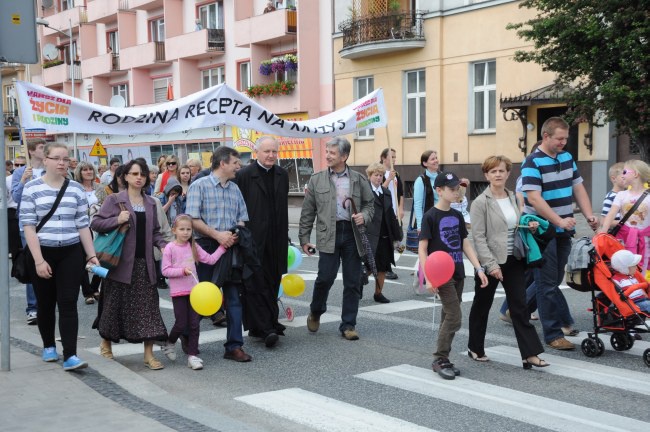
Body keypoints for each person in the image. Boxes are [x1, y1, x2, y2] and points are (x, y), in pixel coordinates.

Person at [521, 116, 599, 350]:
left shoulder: (567, 158)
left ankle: (518, 311)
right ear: (546, 136)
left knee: (553, 281)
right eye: (560, 138)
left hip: (564, 229)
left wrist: (589, 215)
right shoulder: (532, 162)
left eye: (566, 138)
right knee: (547, 283)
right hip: (542, 230)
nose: (564, 142)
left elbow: (578, 188)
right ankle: (553, 334)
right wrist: (557, 221)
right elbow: (534, 198)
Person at [20, 142, 99, 371]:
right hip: (43, 251)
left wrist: (91, 255)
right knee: (45, 304)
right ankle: (48, 346)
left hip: (71, 252)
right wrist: (38, 260)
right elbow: (29, 226)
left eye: (66, 158)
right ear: (45, 160)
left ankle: (71, 355)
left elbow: (83, 225)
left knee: (68, 303)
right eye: (57, 158)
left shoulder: (75, 189)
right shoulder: (32, 188)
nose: (62, 162)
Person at [468, 156, 548, 369]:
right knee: (481, 306)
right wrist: (491, 265)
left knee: (520, 306)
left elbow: (514, 225)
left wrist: (528, 225)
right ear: (486, 175)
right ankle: (475, 347)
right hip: (490, 262)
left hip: (514, 259)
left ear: (508, 173)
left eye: (501, 171)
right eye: (493, 171)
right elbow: (478, 238)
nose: (498, 174)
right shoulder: (479, 203)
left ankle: (529, 354)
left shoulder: (514, 197)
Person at [90, 159, 169, 370]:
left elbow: (155, 232)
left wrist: (163, 246)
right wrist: (116, 220)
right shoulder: (114, 200)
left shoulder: (152, 202)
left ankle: (149, 354)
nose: (139, 177)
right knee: (113, 306)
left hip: (145, 265)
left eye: (142, 174)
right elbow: (96, 223)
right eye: (134, 173)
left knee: (148, 310)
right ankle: (106, 344)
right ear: (125, 176)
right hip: (119, 265)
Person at [299, 137, 374, 340]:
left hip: (351, 234)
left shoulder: (358, 179)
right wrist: (304, 238)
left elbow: (370, 204)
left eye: (332, 153)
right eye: (327, 152)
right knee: (325, 278)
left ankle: (348, 325)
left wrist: (364, 216)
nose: (328, 156)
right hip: (328, 234)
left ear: (344, 156)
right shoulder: (317, 179)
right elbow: (308, 212)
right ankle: (316, 310)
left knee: (352, 281)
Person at [418, 171, 488, 380]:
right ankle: (439, 358)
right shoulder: (430, 216)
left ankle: (444, 358)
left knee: (447, 315)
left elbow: (465, 243)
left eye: (457, 188)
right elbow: (423, 249)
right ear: (439, 191)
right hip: (440, 274)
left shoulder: (457, 215)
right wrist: (428, 277)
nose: (456, 192)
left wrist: (478, 268)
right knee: (455, 316)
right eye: (451, 189)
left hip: (458, 271)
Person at [186, 146, 252, 362]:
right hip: (205, 247)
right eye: (235, 163)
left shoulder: (235, 189)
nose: (238, 167)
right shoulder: (199, 186)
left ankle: (234, 346)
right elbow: (193, 220)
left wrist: (234, 234)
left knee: (234, 299)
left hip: (230, 249)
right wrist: (217, 235)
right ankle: (189, 339)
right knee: (201, 296)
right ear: (222, 163)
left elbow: (242, 218)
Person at [234, 136, 289, 347]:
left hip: (276, 238)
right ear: (257, 152)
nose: (271, 155)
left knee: (274, 279)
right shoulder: (245, 175)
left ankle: (270, 322)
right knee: (256, 282)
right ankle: (264, 328)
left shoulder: (282, 174)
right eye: (267, 151)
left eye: (274, 151)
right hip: (254, 239)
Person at [161, 214, 228, 370]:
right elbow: (165, 271)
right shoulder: (170, 248)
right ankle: (169, 343)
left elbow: (210, 260)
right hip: (178, 293)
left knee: (194, 325)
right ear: (174, 230)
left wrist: (223, 248)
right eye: (182, 229)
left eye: (188, 229)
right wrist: (181, 271)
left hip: (194, 292)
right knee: (180, 323)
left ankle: (193, 356)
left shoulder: (193, 246)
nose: (185, 232)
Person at [12, 138, 47, 325]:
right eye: (42, 148)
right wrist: (24, 179)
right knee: (34, 265)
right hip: (27, 225)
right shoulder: (20, 171)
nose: (45, 150)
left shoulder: (49, 171)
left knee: (49, 264)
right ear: (32, 151)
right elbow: (16, 197)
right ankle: (33, 308)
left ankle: (46, 304)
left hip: (47, 225)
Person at [600, 159, 650, 272]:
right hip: (624, 238)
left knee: (644, 268)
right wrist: (603, 233)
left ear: (636, 174)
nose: (622, 176)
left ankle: (642, 288)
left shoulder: (649, 196)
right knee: (624, 267)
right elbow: (610, 215)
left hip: (646, 240)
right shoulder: (621, 195)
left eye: (624, 172)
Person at [366, 162, 402, 303]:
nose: (379, 178)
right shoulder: (365, 192)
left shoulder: (386, 192)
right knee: (369, 265)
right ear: (369, 176)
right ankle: (357, 287)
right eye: (376, 175)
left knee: (383, 266)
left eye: (381, 175)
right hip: (370, 235)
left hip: (385, 234)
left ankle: (378, 293)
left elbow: (391, 214)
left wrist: (397, 236)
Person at [74, 161, 103, 304]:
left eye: (90, 169)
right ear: (79, 172)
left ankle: (95, 287)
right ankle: (87, 292)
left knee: (101, 258)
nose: (88, 172)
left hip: (98, 228)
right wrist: (88, 211)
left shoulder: (100, 188)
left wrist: (99, 208)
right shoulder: (75, 188)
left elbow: (106, 205)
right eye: (84, 170)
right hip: (81, 228)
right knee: (82, 260)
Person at [380, 148, 403, 280]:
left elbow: (400, 193)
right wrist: (388, 179)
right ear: (384, 158)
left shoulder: (396, 174)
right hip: (384, 212)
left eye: (395, 157)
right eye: (392, 157)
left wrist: (400, 209)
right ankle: (386, 267)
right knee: (387, 240)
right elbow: (378, 190)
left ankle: (386, 265)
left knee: (396, 238)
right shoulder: (380, 172)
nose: (394, 159)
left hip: (394, 212)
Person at [600, 162, 625, 229]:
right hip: (616, 235)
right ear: (614, 178)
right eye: (623, 177)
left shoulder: (626, 195)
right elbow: (603, 221)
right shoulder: (611, 197)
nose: (626, 179)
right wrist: (624, 222)